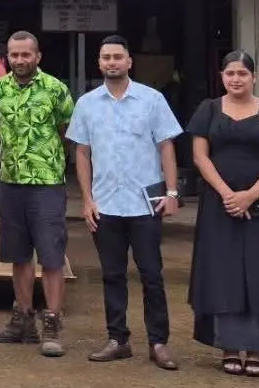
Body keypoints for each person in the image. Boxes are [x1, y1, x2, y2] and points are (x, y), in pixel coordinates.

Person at [65, 34, 182, 370]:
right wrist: (86, 200)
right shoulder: (87, 104)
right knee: (112, 275)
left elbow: (166, 148)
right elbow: (82, 154)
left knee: (151, 275)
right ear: (99, 63)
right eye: (106, 58)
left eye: (118, 56)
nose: (112, 62)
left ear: (129, 62)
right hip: (106, 206)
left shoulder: (152, 100)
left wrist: (172, 193)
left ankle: (158, 342)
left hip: (145, 205)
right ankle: (118, 339)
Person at [186, 50, 259, 378]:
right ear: (222, 76)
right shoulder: (208, 110)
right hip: (218, 203)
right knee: (223, 271)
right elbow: (200, 157)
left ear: (254, 77)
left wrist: (250, 195)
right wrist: (227, 195)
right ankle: (229, 347)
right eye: (230, 73)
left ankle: (258, 349)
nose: (236, 79)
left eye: (242, 74)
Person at [0, 31, 75, 357]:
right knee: (18, 255)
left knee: (51, 256)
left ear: (38, 56)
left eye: (26, 54)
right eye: (14, 55)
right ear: (7, 57)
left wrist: (51, 162)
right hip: (10, 183)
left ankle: (52, 323)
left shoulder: (56, 89)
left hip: (48, 184)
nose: (20, 60)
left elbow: (69, 134)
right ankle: (22, 321)